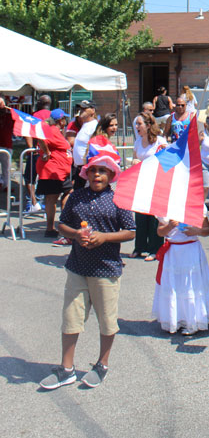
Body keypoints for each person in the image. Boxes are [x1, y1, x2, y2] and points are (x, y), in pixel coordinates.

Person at [39, 150, 135, 390]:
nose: (96, 175)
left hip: (106, 269)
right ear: (86, 173)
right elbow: (62, 225)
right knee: (71, 318)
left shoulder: (118, 199)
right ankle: (67, 368)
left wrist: (104, 237)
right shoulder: (76, 197)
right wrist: (75, 234)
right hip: (78, 267)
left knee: (106, 320)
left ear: (111, 174)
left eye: (102, 171)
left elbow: (131, 231)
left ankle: (102, 364)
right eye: (92, 170)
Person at [152, 209, 209, 336]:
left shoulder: (195, 204)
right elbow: (160, 232)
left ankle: (192, 320)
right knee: (174, 285)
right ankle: (175, 318)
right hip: (173, 252)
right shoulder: (166, 207)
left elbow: (208, 230)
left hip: (190, 249)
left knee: (190, 285)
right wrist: (169, 226)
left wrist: (196, 231)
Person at [131, 112, 167, 260]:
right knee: (140, 215)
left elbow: (166, 162)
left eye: (140, 124)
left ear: (148, 125)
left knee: (154, 217)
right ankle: (139, 247)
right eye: (137, 124)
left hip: (156, 183)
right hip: (141, 182)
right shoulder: (138, 141)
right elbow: (134, 158)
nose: (137, 127)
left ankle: (155, 249)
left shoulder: (160, 141)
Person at [35, 109, 73, 238]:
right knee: (53, 197)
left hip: (58, 171)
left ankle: (57, 226)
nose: (66, 122)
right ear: (60, 120)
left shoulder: (56, 131)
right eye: (64, 119)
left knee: (64, 193)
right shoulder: (51, 129)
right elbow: (40, 137)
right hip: (53, 171)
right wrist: (46, 152)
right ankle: (52, 228)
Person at [24, 94, 51, 212]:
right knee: (45, 178)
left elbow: (28, 133)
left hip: (37, 151)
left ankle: (33, 203)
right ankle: (42, 202)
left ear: (40, 103)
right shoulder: (53, 116)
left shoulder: (35, 116)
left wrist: (31, 148)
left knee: (30, 178)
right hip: (49, 152)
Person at [72, 100, 98, 190]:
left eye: (84, 108)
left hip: (87, 168)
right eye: (81, 108)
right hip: (80, 169)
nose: (81, 110)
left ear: (92, 110)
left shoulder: (94, 126)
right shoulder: (85, 125)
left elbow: (96, 147)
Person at [0, 95, 14, 191]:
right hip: (5, 144)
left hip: (6, 145)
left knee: (6, 168)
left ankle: (6, 185)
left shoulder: (10, 116)